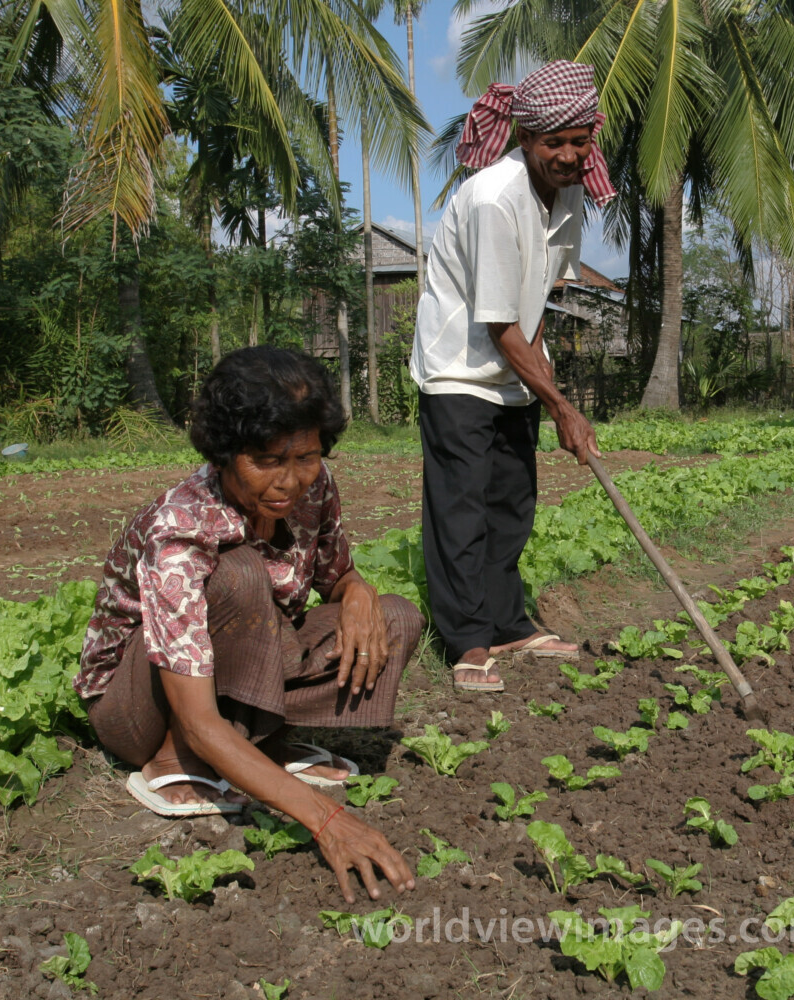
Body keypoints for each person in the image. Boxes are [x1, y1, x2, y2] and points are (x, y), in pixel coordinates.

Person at [76, 346, 420, 904]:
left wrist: (359, 591)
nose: (290, 481)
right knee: (238, 573)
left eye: (305, 457)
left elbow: (338, 576)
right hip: (140, 705)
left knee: (396, 619)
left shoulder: (313, 489)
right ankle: (175, 763)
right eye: (266, 461)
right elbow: (198, 718)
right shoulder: (182, 529)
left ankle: (262, 747)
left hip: (239, 670)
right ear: (225, 454)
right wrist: (327, 821)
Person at [410, 60, 610, 693]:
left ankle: (507, 623)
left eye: (581, 142)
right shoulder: (494, 198)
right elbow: (498, 324)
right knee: (462, 509)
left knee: (512, 503)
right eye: (556, 143)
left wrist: (538, 380)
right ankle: (466, 640)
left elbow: (540, 296)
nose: (570, 155)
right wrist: (563, 407)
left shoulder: (570, 194)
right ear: (526, 138)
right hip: (460, 371)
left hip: (514, 370)